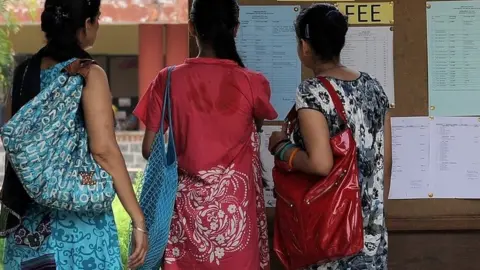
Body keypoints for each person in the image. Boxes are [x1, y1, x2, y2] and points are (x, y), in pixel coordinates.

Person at [1, 0, 148, 269]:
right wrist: (137, 219)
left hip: (30, 227)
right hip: (80, 228)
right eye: (97, 19)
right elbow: (104, 151)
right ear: (86, 25)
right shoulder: (89, 74)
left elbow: (16, 142)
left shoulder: (23, 75)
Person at [133, 0, 277, 268]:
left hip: (184, 220)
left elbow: (148, 148)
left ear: (191, 28)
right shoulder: (253, 82)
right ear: (235, 30)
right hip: (237, 221)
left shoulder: (168, 79)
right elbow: (258, 127)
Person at [268, 4, 391, 270]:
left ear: (305, 46)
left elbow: (320, 164)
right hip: (371, 235)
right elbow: (386, 163)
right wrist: (373, 217)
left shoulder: (312, 91)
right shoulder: (374, 87)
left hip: (330, 234)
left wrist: (281, 147)